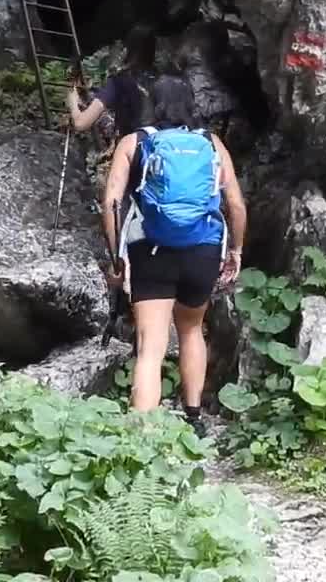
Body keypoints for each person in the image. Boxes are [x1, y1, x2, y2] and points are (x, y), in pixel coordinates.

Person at [101, 75, 247, 435]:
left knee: (151, 345)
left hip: (151, 248)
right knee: (192, 329)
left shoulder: (134, 143)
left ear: (155, 104)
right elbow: (236, 205)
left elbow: (111, 203)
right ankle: (194, 417)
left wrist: (117, 258)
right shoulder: (210, 143)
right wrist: (237, 250)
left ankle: (143, 435)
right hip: (202, 248)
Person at [67, 24, 158, 138]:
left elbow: (81, 123)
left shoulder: (119, 81)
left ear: (128, 49)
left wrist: (73, 99)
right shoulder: (163, 80)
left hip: (133, 149)